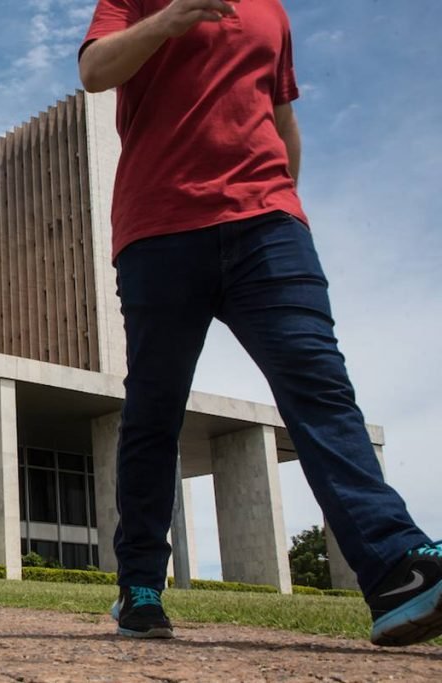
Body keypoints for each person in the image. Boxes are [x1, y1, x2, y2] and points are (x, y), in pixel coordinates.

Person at [78, 0, 441, 646]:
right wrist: (167, 22)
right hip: (159, 232)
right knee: (154, 411)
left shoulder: (271, 10)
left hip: (266, 228)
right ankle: (139, 584)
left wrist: (282, 206)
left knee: (320, 388)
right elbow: (95, 70)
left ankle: (394, 570)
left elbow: (282, 120)